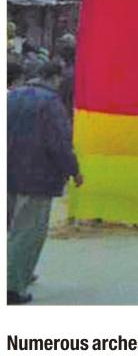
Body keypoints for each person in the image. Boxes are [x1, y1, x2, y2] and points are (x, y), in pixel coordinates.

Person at [8, 60, 82, 304]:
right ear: (55, 78)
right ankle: (13, 286)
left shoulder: (11, 96)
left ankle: (16, 274)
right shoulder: (51, 104)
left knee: (11, 229)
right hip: (37, 178)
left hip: (8, 174)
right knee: (27, 232)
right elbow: (60, 144)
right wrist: (74, 171)